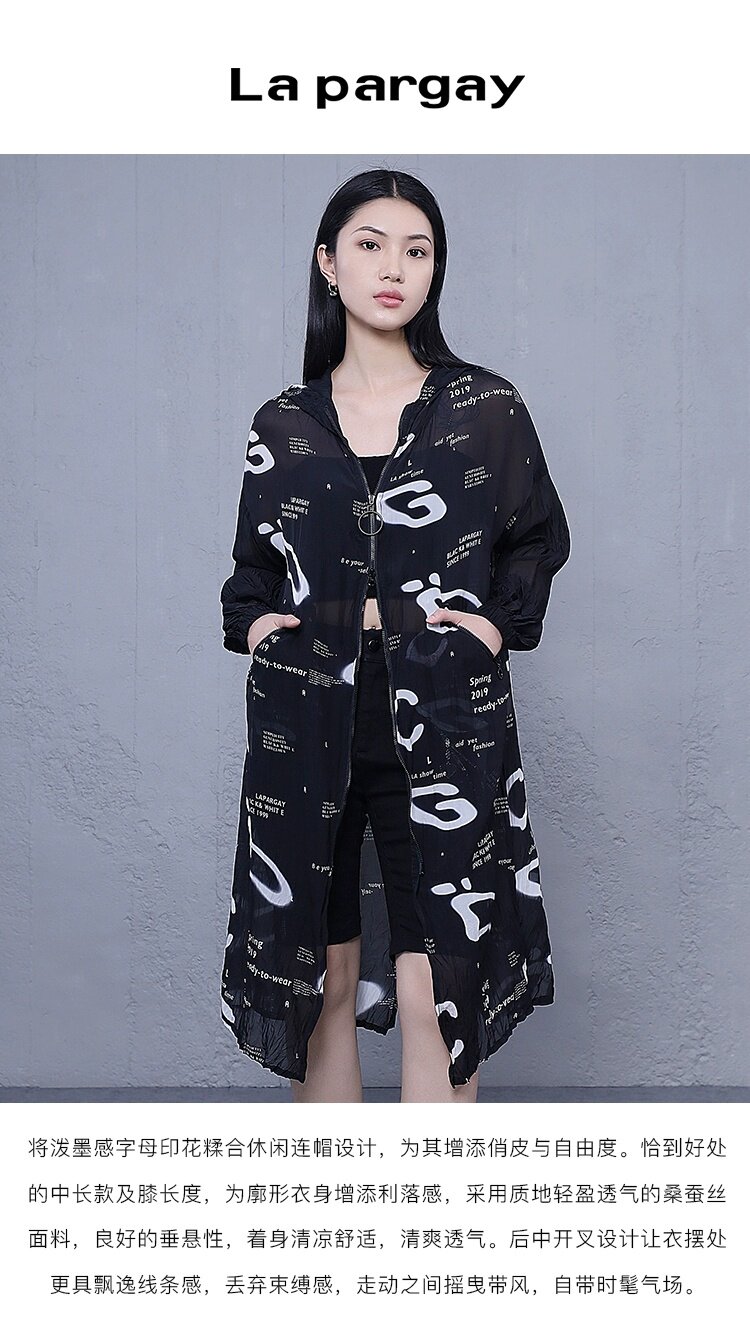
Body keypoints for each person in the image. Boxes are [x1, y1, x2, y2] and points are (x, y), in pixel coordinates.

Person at [220, 168, 571, 1103]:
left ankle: (424, 1200)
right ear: (328, 264)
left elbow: (536, 536)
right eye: (370, 246)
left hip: (447, 714)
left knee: (435, 990)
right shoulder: (284, 426)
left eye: (417, 251)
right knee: (324, 983)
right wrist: (257, 624)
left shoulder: (483, 410)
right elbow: (253, 566)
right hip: (308, 721)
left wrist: (493, 627)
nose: (394, 269)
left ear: (434, 271)